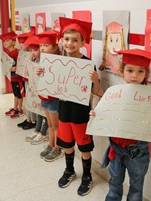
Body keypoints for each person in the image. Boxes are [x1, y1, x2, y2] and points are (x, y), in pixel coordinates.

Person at [90, 49, 151, 201]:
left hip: (138, 152)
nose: (135, 75)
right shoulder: (114, 94)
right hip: (116, 150)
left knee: (136, 188)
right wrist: (97, 116)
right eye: (130, 70)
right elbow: (106, 114)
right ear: (122, 71)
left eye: (140, 71)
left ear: (146, 74)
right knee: (114, 185)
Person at [56, 17, 101, 196]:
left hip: (81, 114)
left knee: (84, 149)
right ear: (61, 40)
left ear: (83, 42)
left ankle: (87, 176)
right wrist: (42, 73)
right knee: (67, 145)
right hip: (63, 112)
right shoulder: (57, 62)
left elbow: (97, 92)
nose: (70, 43)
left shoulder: (88, 65)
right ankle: (69, 170)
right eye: (67, 39)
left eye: (75, 40)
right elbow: (50, 87)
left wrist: (95, 80)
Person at [36, 30, 63, 161]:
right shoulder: (41, 61)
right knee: (50, 124)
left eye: (46, 45)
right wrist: (38, 71)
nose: (42, 48)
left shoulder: (59, 62)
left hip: (53, 99)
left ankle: (57, 148)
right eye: (41, 46)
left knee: (56, 125)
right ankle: (50, 144)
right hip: (43, 98)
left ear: (55, 47)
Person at [21, 35, 49, 144]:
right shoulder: (34, 62)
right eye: (32, 50)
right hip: (36, 91)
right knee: (38, 111)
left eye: (36, 50)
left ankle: (42, 132)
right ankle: (37, 130)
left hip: (44, 92)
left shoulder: (44, 63)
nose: (33, 52)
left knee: (45, 113)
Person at [0, 31, 25, 118]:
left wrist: (15, 68)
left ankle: (20, 110)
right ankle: (15, 108)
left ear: (13, 42)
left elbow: (21, 65)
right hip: (12, 78)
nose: (5, 43)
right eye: (4, 41)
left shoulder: (16, 52)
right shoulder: (8, 53)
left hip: (18, 78)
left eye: (7, 40)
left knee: (19, 94)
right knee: (15, 93)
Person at [16, 31, 37, 129]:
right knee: (28, 99)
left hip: (32, 80)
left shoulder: (32, 55)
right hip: (25, 79)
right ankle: (29, 118)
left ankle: (33, 120)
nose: (21, 45)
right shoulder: (24, 54)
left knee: (32, 99)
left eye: (23, 43)